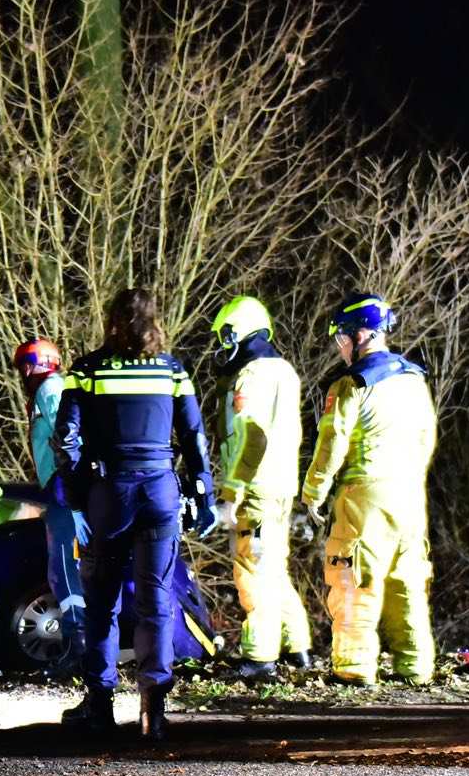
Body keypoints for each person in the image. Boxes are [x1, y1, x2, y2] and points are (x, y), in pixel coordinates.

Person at [56, 287, 215, 742]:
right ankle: (154, 710)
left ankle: (99, 705)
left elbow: (67, 437)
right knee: (156, 600)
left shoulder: (87, 370)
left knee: (101, 602)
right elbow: (194, 436)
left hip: (111, 491)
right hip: (160, 489)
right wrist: (201, 491)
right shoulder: (173, 370)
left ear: (111, 321)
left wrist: (77, 491)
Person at [298, 293, 437, 687]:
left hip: (365, 495)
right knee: (406, 581)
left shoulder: (351, 384)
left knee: (354, 580)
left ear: (361, 335)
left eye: (342, 337)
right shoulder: (414, 378)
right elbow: (427, 438)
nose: (340, 347)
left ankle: (354, 666)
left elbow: (332, 444)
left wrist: (313, 493)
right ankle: (415, 665)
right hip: (411, 495)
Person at [209, 295, 313, 679]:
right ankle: (297, 645)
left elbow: (251, 439)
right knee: (274, 569)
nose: (222, 345)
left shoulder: (251, 376)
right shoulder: (284, 370)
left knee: (252, 571)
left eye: (224, 336)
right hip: (280, 484)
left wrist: (230, 491)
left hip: (255, 487)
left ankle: (260, 656)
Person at [15, 337, 88, 673]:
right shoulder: (56, 387)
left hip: (65, 486)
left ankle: (77, 644)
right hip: (65, 485)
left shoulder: (50, 389)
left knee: (62, 566)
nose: (22, 373)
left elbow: (65, 434)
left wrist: (65, 482)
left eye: (25, 365)